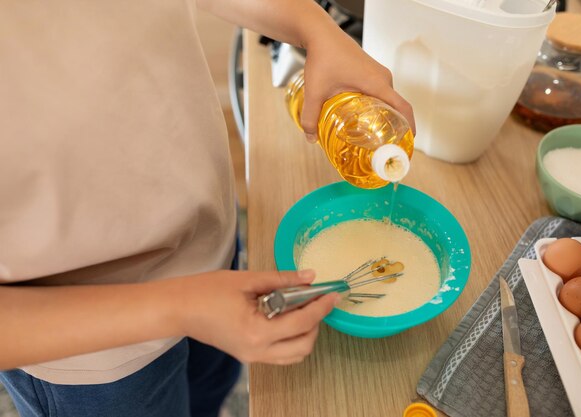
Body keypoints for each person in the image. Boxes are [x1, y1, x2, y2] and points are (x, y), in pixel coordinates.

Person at [0, 0, 415, 416]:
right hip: (94, 352)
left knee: (206, 396)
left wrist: (314, 27)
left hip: (209, 244)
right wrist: (180, 308)